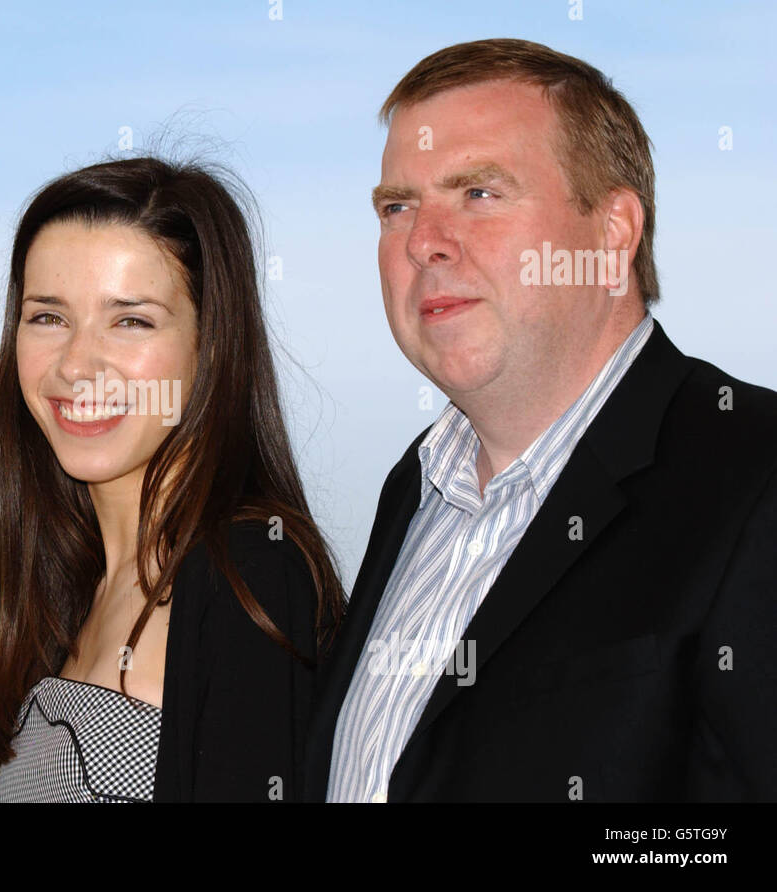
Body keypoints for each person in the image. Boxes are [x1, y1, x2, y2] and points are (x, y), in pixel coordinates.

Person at [307, 38, 777, 802]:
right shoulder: (414, 489)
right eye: (397, 207)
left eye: (479, 193)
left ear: (613, 232)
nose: (424, 241)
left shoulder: (753, 471)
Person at [0, 157, 344, 802]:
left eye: (131, 321)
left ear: (211, 345)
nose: (77, 366)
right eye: (48, 317)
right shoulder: (66, 586)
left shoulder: (250, 576)